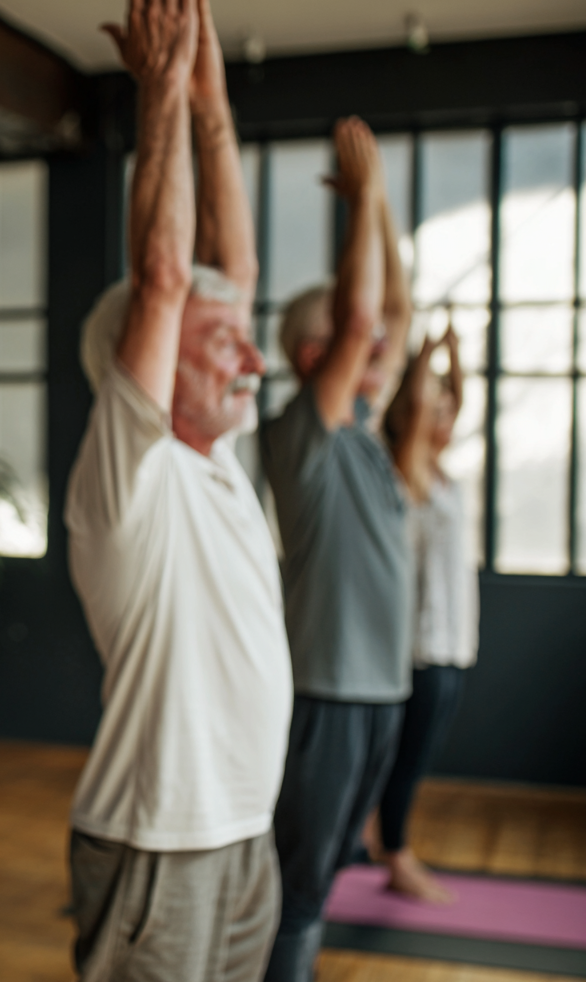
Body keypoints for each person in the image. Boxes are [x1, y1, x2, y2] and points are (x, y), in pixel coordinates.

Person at [64, 0, 294, 978]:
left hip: (245, 828)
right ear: (146, 372)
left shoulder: (218, 453)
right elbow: (165, 279)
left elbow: (225, 276)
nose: (252, 360)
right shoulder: (136, 475)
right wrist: (157, 95)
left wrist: (209, 104)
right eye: (220, 345)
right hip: (160, 839)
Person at [260, 119, 413, 982]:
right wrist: (369, 199)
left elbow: (387, 310)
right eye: (358, 343)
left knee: (325, 874)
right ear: (318, 357)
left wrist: (377, 212)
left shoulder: (359, 428)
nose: (381, 345)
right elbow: (369, 315)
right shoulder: (304, 434)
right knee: (304, 877)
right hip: (330, 693)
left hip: (379, 692)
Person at [376, 326, 478, 903]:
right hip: (423, 646)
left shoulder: (443, 473)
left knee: (417, 751)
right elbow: (417, 411)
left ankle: (380, 837)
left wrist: (454, 357)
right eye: (432, 409)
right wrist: (422, 358)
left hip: (455, 641)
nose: (444, 418)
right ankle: (397, 854)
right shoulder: (407, 470)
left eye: (448, 410)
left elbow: (454, 403)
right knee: (409, 757)